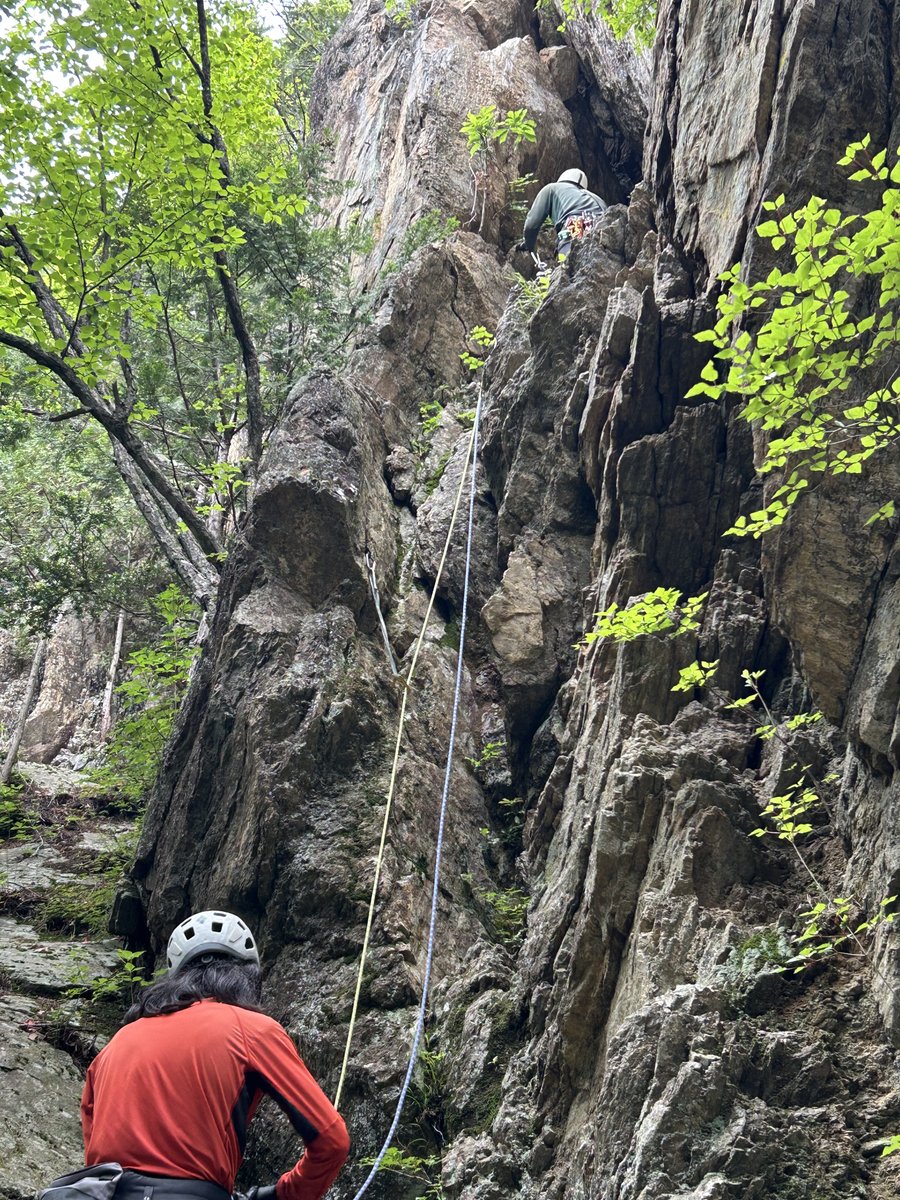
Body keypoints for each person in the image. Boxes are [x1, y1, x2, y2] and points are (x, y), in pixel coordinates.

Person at [80, 910, 350, 1200]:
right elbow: (331, 1140)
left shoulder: (118, 1042)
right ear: (248, 975)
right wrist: (284, 1194)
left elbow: (96, 1154)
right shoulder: (251, 1029)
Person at [518, 168, 607, 261]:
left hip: (577, 224)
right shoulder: (597, 198)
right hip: (601, 228)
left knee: (568, 265)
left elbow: (532, 224)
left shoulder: (552, 188)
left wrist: (528, 244)